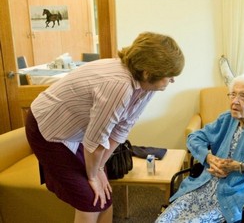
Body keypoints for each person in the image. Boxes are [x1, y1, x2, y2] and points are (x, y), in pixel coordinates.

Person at [25, 32, 185, 223]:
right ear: (147, 73)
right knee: (91, 199)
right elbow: (96, 141)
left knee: (105, 196)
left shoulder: (146, 86)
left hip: (79, 132)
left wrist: (100, 167)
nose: (172, 80)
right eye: (169, 76)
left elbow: (121, 130)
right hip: (49, 128)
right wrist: (92, 175)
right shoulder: (119, 85)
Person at [156, 73, 244, 223]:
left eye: (243, 96)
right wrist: (210, 158)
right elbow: (194, 138)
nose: (235, 101)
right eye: (233, 95)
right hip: (205, 187)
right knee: (164, 219)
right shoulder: (227, 118)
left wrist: (240, 167)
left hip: (234, 195)